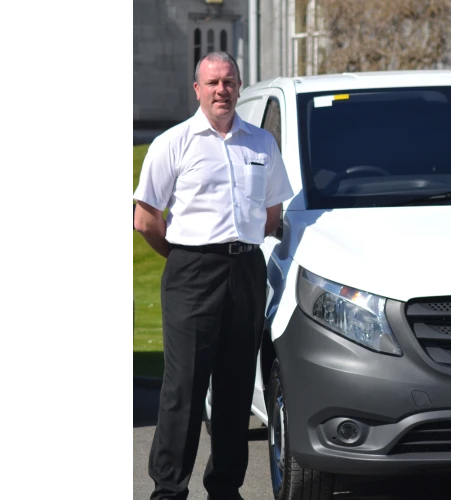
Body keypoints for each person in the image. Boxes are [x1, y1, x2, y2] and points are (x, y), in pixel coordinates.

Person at [133, 51, 293, 500]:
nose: (222, 89)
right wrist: (184, 257)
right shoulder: (174, 142)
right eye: (213, 82)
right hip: (191, 272)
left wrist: (237, 248)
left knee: (235, 387)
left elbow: (272, 211)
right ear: (197, 89)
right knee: (184, 389)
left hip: (245, 269)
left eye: (229, 81)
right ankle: (169, 489)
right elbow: (145, 218)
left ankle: (225, 488)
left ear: (240, 87)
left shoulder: (261, 143)